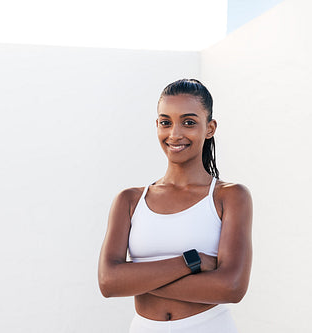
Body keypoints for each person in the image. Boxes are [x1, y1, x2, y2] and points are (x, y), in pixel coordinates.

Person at [98, 79, 253, 333]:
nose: (175, 134)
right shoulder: (129, 200)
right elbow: (108, 283)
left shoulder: (230, 197)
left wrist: (133, 278)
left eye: (189, 122)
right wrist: (190, 262)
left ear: (210, 128)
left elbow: (232, 287)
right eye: (165, 122)